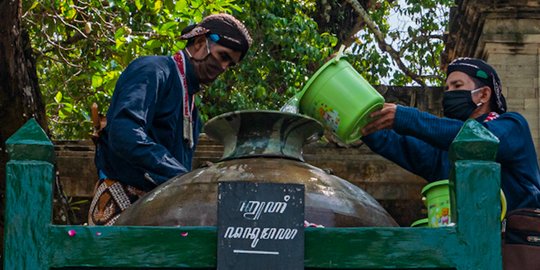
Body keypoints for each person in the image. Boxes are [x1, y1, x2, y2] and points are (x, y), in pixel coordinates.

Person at [88, 13, 252, 225]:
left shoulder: (192, 108)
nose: (223, 68)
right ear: (201, 42)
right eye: (223, 56)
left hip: (160, 211)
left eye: (230, 64)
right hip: (121, 207)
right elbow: (124, 133)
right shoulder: (153, 71)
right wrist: (183, 177)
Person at [360, 57, 540, 213]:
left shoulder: (512, 126)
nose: (448, 93)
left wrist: (406, 117)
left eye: (457, 85)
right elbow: (397, 143)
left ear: (484, 94)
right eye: (447, 88)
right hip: (467, 245)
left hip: (516, 244)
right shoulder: (442, 154)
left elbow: (478, 139)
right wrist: (362, 121)